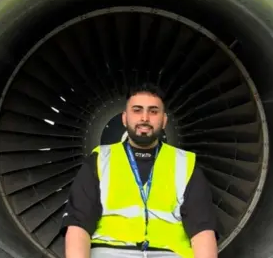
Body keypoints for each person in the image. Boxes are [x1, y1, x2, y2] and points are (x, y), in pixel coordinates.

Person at [62, 82, 219, 258]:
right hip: (110, 252)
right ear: (124, 118)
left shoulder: (185, 163)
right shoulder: (99, 160)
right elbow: (77, 226)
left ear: (164, 120)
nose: (144, 118)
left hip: (168, 253)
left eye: (153, 111)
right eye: (137, 110)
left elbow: (203, 231)